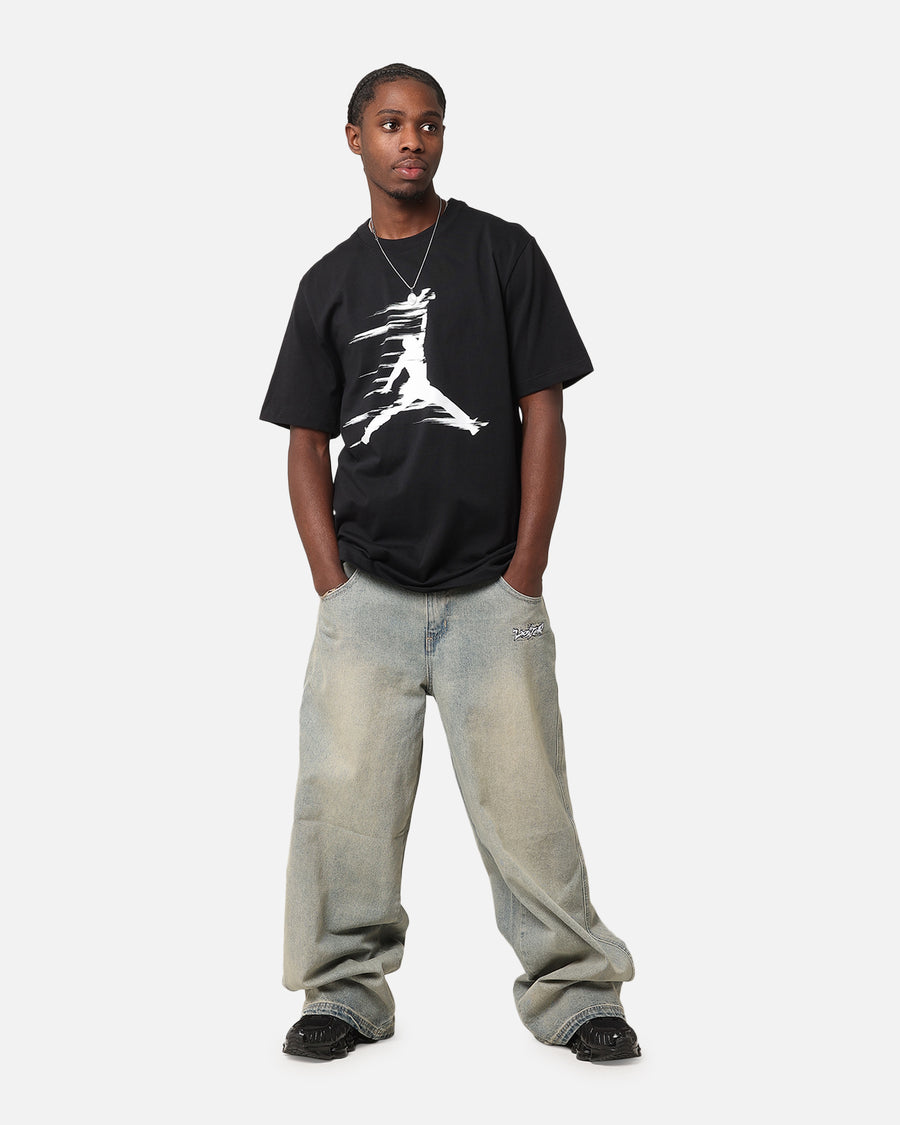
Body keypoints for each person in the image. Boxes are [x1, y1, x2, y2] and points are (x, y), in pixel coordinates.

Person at [260, 62, 640, 1064]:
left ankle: (576, 993)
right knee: (343, 806)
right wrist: (331, 583)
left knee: (530, 809)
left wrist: (527, 570)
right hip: (367, 594)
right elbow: (304, 440)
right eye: (391, 124)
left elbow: (544, 412)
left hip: (491, 594)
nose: (412, 140)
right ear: (355, 137)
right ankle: (343, 994)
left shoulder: (502, 252)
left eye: (428, 123)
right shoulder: (329, 283)